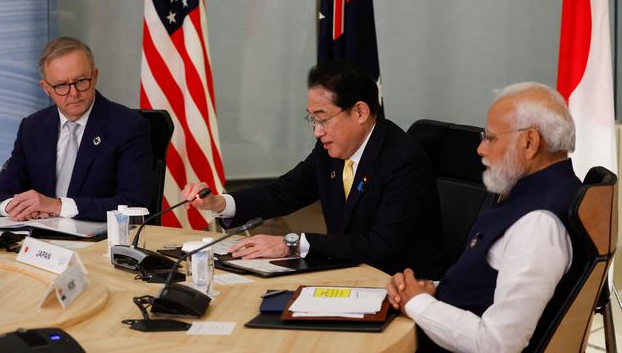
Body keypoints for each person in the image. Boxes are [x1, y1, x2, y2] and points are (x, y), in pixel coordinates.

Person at [183, 60, 443, 277]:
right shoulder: (331, 150)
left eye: (324, 119)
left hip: (397, 287)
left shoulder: (403, 159)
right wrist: (218, 203)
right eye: (313, 119)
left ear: (360, 112)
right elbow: (282, 193)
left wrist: (291, 244)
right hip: (346, 275)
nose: (317, 131)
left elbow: (380, 245)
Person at [387, 82, 582, 353]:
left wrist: (418, 304)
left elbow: (498, 343)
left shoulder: (538, 224)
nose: (480, 149)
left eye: (490, 138)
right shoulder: (543, 194)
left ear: (530, 142)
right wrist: (432, 293)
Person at [0, 37, 153, 222]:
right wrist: (15, 208)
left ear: (95, 76)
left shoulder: (128, 126)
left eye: (81, 81)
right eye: (61, 85)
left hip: (99, 242)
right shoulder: (33, 127)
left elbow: (135, 204)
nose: (74, 93)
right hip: (39, 240)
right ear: (46, 88)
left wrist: (57, 206)